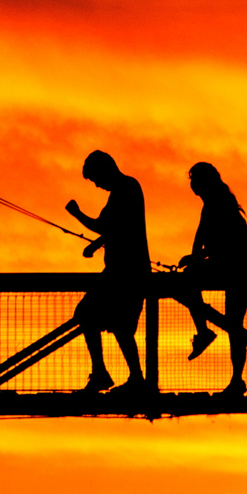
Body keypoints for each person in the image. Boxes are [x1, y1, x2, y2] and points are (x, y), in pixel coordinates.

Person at [172, 162, 247, 397]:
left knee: (234, 322)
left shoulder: (218, 204)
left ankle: (234, 377)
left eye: (195, 179)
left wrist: (196, 258)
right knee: (232, 322)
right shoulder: (211, 204)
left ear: (205, 181)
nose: (192, 184)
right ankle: (205, 333)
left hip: (241, 267)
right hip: (233, 265)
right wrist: (194, 257)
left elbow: (224, 245)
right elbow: (201, 237)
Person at [65, 150, 150, 393]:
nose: (97, 185)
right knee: (116, 325)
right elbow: (119, 228)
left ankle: (114, 375)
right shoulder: (126, 189)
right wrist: (95, 244)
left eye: (95, 179)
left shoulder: (125, 188)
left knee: (89, 315)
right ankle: (128, 377)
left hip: (125, 272)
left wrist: (76, 213)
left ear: (105, 170)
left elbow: (103, 225)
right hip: (124, 270)